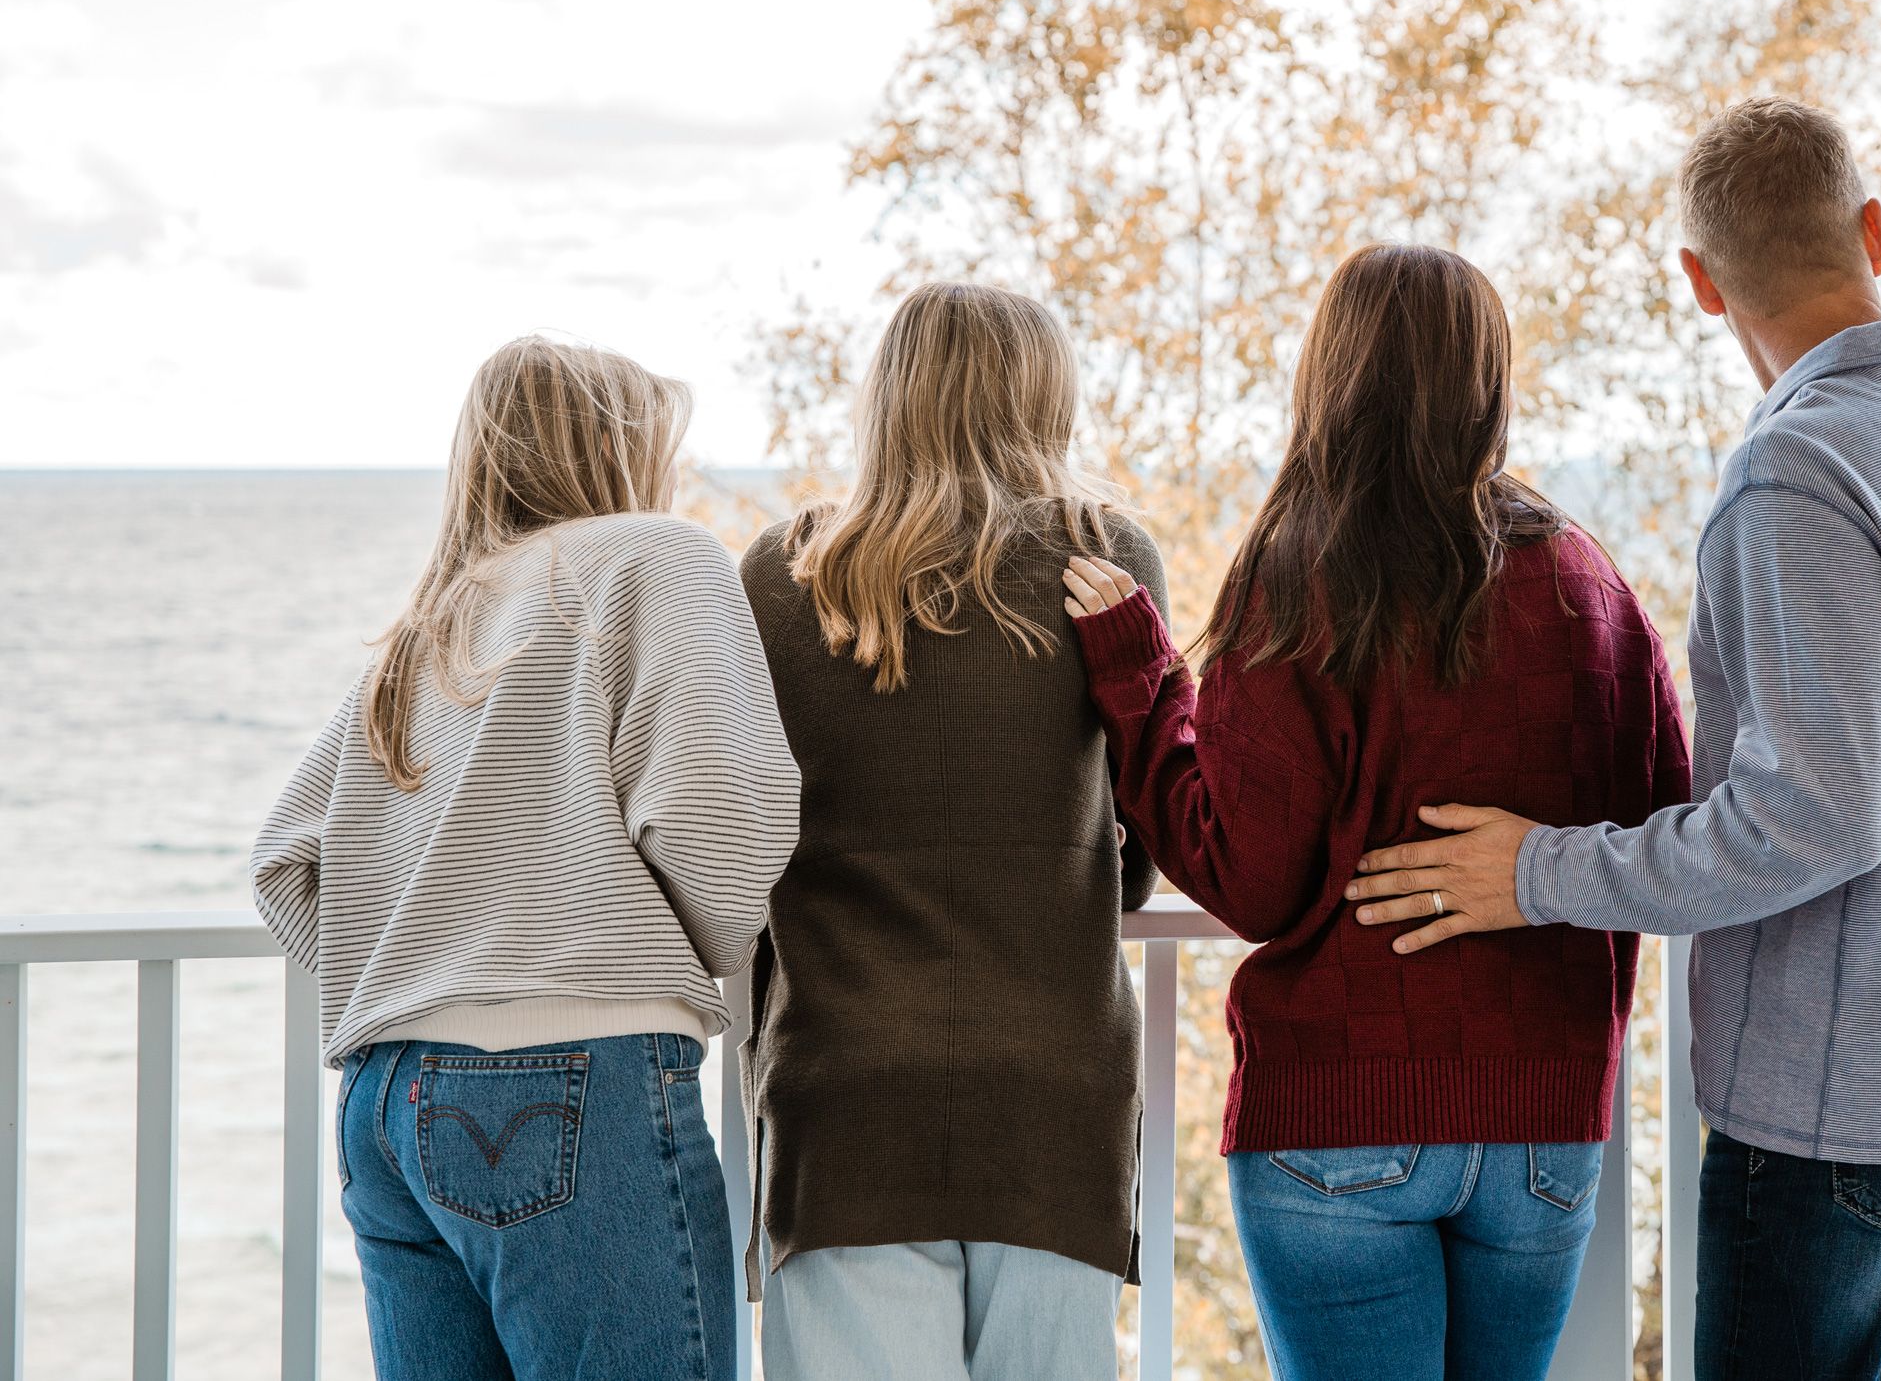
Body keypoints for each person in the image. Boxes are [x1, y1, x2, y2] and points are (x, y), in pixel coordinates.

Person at [1344, 98, 1881, 1380]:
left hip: (1835, 1127)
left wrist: (1534, 872)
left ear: (1699, 283)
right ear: (1873, 229)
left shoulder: (1795, 474)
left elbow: (1812, 816)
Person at [1058, 243, 1689, 1381]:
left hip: (1338, 1120)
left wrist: (1140, 682)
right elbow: (1669, 829)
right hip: (1545, 1126)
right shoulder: (1588, 584)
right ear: (1488, 379)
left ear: (1330, 375)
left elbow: (1247, 876)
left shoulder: (1302, 575)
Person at [250, 335, 800, 1381]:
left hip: (384, 1105)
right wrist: (696, 947)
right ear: (614, 448)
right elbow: (722, 820)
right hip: (571, 1081)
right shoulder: (653, 554)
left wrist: (427, 971)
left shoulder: (434, 618)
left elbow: (287, 858)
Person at [737, 281, 1167, 1381]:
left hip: (842, 1100)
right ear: (1048, 397)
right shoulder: (1104, 555)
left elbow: (736, 830)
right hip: (1051, 1098)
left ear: (887, 396)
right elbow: (1147, 836)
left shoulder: (783, 576)